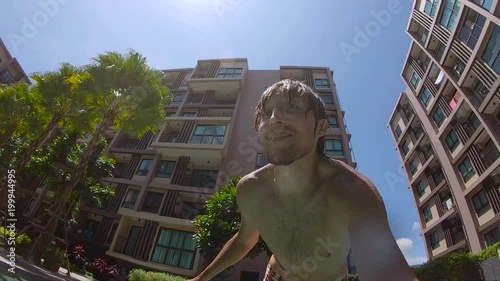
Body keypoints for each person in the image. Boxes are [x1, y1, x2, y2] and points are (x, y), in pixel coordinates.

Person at [189, 79, 418, 281]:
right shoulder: (251, 188)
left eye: (291, 108)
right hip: (276, 275)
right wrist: (200, 278)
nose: (274, 119)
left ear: (321, 127)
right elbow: (244, 240)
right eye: (267, 113)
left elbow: (385, 270)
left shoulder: (352, 192)